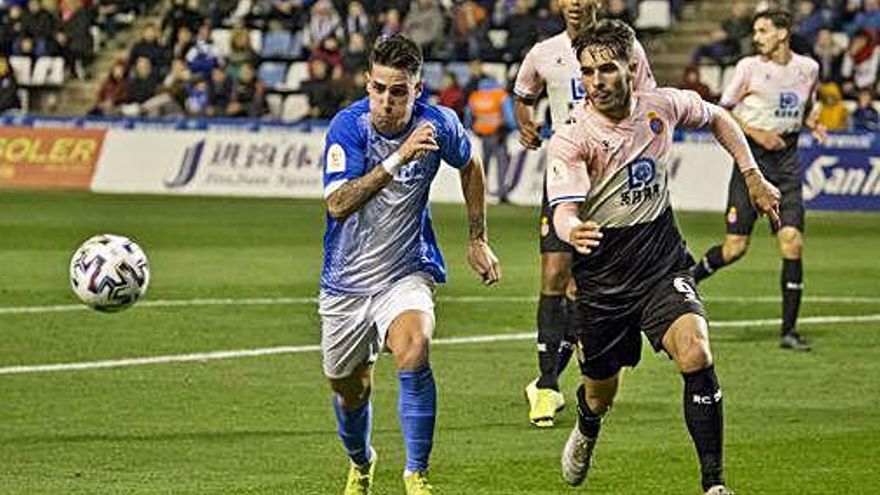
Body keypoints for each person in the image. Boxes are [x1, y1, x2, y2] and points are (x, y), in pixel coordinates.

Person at [547, 19, 781, 495]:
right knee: (600, 392)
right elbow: (563, 212)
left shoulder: (662, 106)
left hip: (660, 262)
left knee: (695, 351)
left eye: (607, 70)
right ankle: (588, 424)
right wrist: (575, 231)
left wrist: (752, 175)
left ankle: (713, 484)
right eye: (588, 73)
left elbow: (718, 116)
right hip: (603, 276)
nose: (596, 83)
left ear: (632, 69)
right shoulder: (573, 136)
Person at [319, 34, 501, 495]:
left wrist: (477, 238)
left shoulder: (438, 123)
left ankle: (416, 474)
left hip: (406, 270)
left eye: (398, 91)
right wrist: (400, 158)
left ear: (417, 89)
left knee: (415, 346)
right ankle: (362, 463)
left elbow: (470, 164)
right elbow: (339, 204)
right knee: (349, 389)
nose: (386, 101)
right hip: (345, 284)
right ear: (367, 84)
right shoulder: (348, 127)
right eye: (378, 88)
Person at [513, 0, 656, 428]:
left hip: (612, 180)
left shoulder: (627, 48)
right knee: (555, 274)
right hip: (566, 172)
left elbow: (648, 100)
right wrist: (526, 123)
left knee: (590, 284)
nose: (575, 3)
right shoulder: (543, 53)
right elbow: (523, 96)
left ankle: (582, 371)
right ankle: (546, 385)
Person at [692, 9, 826, 352]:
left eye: (763, 31)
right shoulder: (748, 68)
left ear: (782, 33)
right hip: (752, 160)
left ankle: (789, 332)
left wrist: (813, 122)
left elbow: (808, 102)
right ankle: (686, 280)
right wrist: (757, 133)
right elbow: (723, 109)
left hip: (787, 162)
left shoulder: (808, 68)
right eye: (756, 31)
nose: (757, 37)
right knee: (735, 248)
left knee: (792, 243)